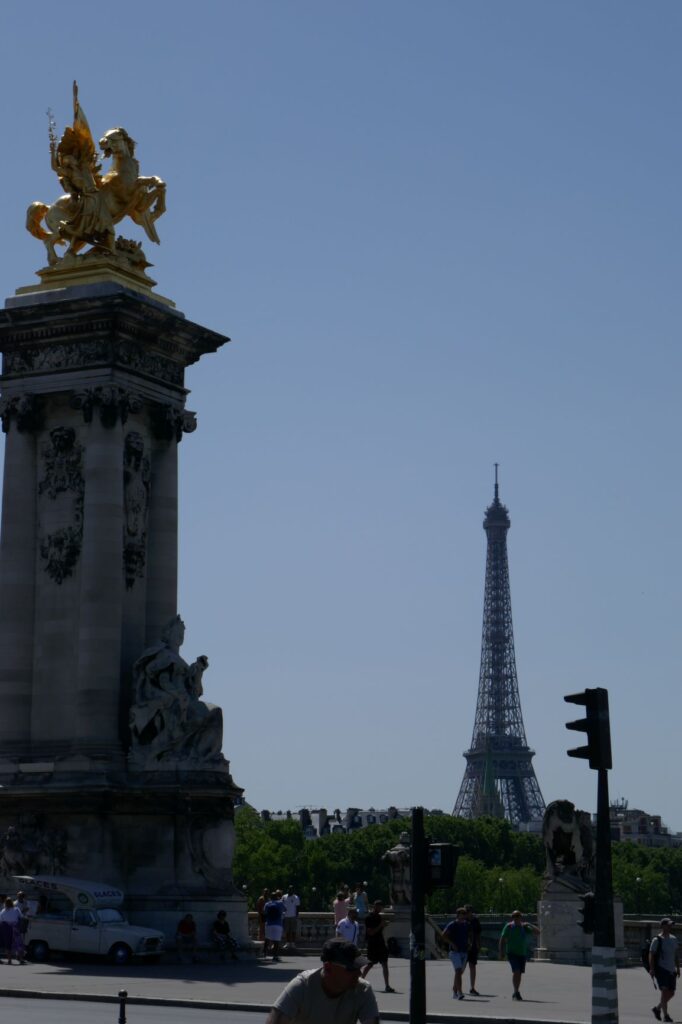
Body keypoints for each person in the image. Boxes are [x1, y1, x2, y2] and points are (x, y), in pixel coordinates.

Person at [265, 938, 378, 1024]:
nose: (359, 974)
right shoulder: (302, 986)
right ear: (328, 968)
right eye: (351, 969)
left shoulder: (363, 989)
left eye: (359, 968)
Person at [498, 909, 539, 1000]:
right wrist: (501, 952)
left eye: (518, 916)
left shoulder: (524, 927)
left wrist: (529, 924)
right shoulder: (509, 926)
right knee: (516, 971)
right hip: (512, 953)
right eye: (514, 916)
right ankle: (516, 992)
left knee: (519, 973)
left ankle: (516, 991)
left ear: (521, 917)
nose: (516, 918)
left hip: (522, 953)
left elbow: (538, 932)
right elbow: (502, 939)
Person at [650, 917, 680, 1022]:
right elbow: (651, 955)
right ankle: (666, 1016)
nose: (670, 926)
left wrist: (678, 968)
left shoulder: (673, 938)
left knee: (671, 993)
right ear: (663, 926)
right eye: (668, 924)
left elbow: (676, 955)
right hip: (661, 969)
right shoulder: (657, 940)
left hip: (671, 969)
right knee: (664, 992)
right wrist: (652, 969)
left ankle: (657, 1009)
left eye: (671, 925)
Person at [362, 900, 395, 993]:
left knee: (385, 963)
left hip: (380, 943)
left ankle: (387, 985)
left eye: (381, 907)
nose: (380, 909)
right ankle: (359, 981)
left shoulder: (379, 917)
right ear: (375, 907)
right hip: (373, 944)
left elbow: (379, 931)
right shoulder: (369, 918)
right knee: (370, 964)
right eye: (379, 907)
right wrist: (381, 925)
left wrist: (383, 926)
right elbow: (371, 932)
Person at [441, 906, 469, 1000]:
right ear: (458, 915)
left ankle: (454, 990)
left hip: (464, 951)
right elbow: (443, 935)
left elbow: (468, 935)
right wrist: (452, 944)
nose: (464, 916)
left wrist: (469, 943)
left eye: (465, 914)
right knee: (458, 971)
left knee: (459, 973)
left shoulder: (466, 925)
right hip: (454, 952)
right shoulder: (452, 924)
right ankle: (460, 992)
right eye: (462, 914)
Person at [0, 897, 25, 964]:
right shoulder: (16, 909)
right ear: (12, 903)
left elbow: (1, 921)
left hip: (6, 929)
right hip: (15, 928)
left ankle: (9, 960)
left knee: (8, 945)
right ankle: (21, 959)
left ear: (5, 903)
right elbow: (21, 917)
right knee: (18, 944)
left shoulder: (3, 911)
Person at [263, 890, 286, 961]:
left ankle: (264, 954)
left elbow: (264, 913)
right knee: (276, 941)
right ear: (277, 897)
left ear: (271, 897)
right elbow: (285, 909)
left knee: (267, 939)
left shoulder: (267, 904)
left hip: (269, 924)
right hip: (278, 924)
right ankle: (275, 956)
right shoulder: (280, 903)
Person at [464, 904, 482, 995]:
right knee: (461, 968)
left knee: (472, 966)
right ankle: (457, 987)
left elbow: (478, 933)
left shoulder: (475, 921)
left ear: (471, 912)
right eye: (466, 911)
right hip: (463, 947)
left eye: (468, 911)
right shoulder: (462, 920)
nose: (467, 913)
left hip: (473, 946)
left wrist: (478, 944)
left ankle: (472, 987)